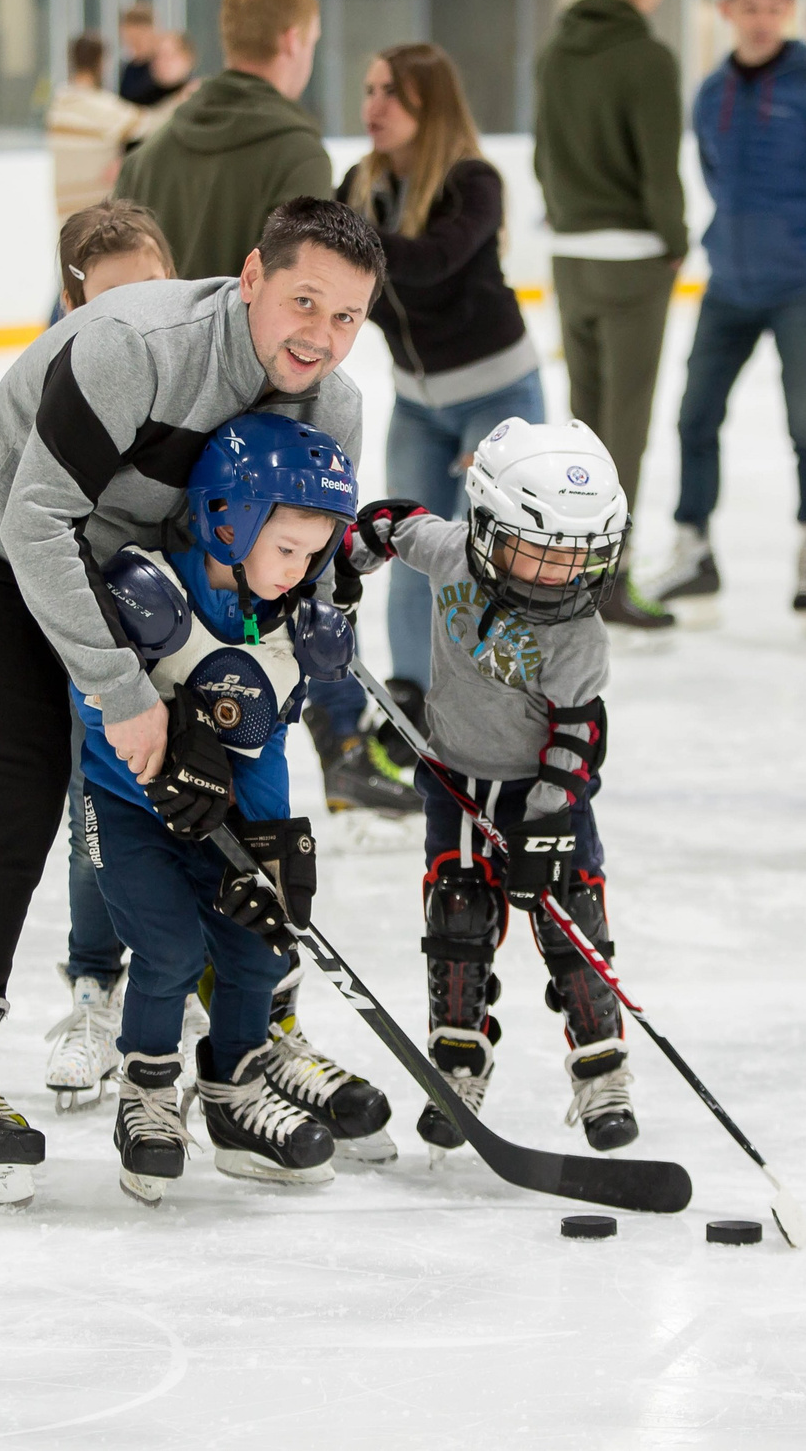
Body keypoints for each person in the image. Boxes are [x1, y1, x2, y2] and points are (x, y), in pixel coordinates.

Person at [0, 196, 378, 1210]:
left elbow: (291, 578)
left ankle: (237, 1063)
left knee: (235, 789)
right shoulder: (135, 348)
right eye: (302, 301)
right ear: (249, 277)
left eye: (346, 317)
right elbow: (36, 527)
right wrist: (122, 692)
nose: (320, 337)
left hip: (133, 576)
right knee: (22, 795)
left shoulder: (330, 406)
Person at [111, 0, 406, 812]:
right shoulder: (296, 147)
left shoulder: (157, 145)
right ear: (295, 41)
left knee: (173, 622)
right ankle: (338, 752)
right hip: (258, 433)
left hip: (164, 419)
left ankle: (129, 872)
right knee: (297, 578)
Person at [80, 414, 391, 1201]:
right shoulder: (148, 590)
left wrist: (272, 843)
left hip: (240, 818)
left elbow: (268, 726)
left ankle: (234, 1093)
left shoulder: (293, 618)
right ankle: (148, 1090)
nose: (301, 569)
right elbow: (96, 702)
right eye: (287, 549)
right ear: (229, 519)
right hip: (132, 813)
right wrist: (166, 751)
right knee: (172, 955)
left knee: (261, 947)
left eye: (314, 553)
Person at [346, 418, 641, 1156]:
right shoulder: (454, 554)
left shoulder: (578, 634)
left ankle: (601, 1074)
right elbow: (390, 523)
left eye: (575, 556)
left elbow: (580, 733)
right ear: (485, 525)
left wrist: (547, 824)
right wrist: (337, 572)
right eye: (536, 549)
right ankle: (457, 1065)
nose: (554, 572)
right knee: (457, 922)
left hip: (543, 796)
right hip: (456, 781)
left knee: (570, 927)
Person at [337, 42, 543, 769]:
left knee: (485, 564)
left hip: (499, 395)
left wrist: (344, 237)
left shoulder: (473, 182)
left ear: (431, 103)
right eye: (368, 89)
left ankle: (491, 708)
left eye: (393, 92)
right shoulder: (360, 185)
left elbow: (431, 264)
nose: (375, 107)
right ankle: (407, 702)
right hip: (421, 405)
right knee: (404, 551)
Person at [653, 0, 806, 625]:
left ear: (789, 13)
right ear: (726, 13)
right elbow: (716, 176)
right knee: (695, 415)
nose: (760, 20)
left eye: (772, 8)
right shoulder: (711, 91)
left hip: (803, 285)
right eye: (748, 8)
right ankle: (694, 549)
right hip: (730, 284)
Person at [41, 200, 175, 1107]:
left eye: (151, 293)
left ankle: (200, 987)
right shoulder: (58, 377)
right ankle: (94, 983)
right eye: (110, 303)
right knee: (96, 803)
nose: (134, 320)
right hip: (93, 627)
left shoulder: (207, 361)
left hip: (187, 622)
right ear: (72, 302)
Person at [534, 0, 687, 629]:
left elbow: (542, 157)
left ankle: (572, 567)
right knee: (626, 427)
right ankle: (610, 578)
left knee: (585, 426)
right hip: (631, 263)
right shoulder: (648, 58)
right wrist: (675, 237)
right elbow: (661, 170)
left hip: (571, 255)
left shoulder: (557, 55)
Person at [115, 0, 329, 281]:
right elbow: (299, 302)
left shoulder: (144, 158)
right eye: (312, 41)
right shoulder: (302, 158)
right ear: (293, 41)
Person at [46, 31, 148, 223]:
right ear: (101, 62)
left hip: (65, 212)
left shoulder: (59, 104)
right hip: (95, 213)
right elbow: (148, 124)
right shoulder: (100, 106)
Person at [114, 1, 164, 106]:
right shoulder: (129, 68)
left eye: (137, 39)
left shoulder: (164, 67)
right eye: (129, 39)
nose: (133, 45)